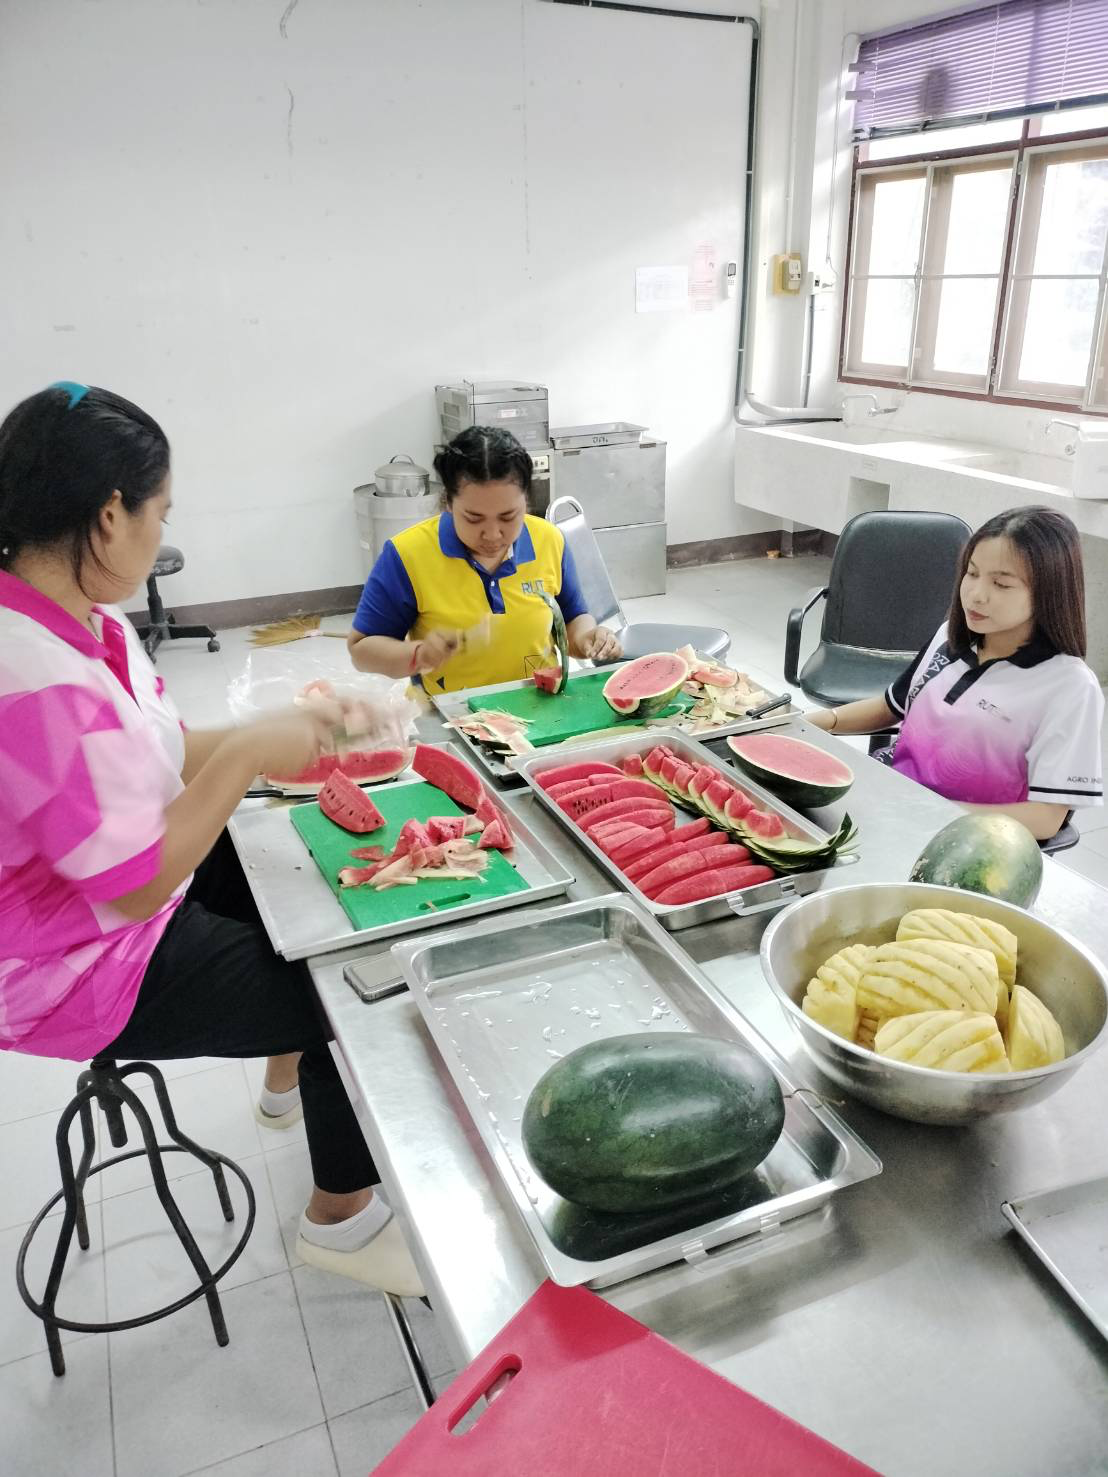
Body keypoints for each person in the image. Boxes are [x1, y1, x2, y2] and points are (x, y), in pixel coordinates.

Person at [0, 383, 421, 1296]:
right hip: (74, 964)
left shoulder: (84, 618)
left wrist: (292, 731)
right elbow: (135, 883)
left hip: (119, 891)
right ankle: (340, 1221)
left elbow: (160, 752)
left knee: (299, 862)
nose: (162, 532)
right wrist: (250, 762)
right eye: (163, 513)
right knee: (349, 993)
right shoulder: (28, 674)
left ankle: (287, 1084)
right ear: (110, 515)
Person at [806, 506, 1103, 840]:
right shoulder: (950, 637)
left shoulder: (1070, 688)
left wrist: (929, 811)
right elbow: (891, 706)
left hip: (964, 839)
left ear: (1049, 593)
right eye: (972, 573)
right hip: (885, 801)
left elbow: (1046, 819)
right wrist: (811, 725)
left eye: (1001, 584)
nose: (976, 595)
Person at [348, 425, 623, 691]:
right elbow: (361, 650)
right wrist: (418, 654)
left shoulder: (549, 540)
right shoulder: (407, 554)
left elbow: (574, 617)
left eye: (508, 516)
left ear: (526, 501)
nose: (492, 535)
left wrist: (589, 638)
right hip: (451, 713)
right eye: (473, 518)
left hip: (540, 701)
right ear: (448, 502)